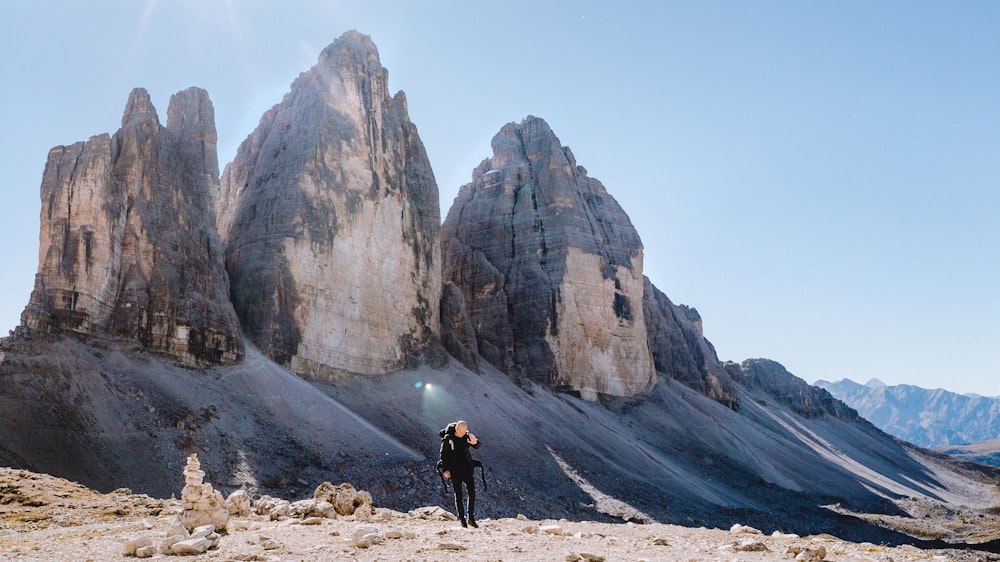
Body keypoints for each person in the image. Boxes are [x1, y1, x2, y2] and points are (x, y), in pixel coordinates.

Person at [439, 420, 482, 528]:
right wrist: (445, 469)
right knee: (458, 495)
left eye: (464, 432)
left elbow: (478, 446)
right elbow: (443, 454)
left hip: (467, 469)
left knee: (472, 492)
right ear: (456, 430)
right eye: (460, 432)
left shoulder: (466, 436)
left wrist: (474, 442)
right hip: (455, 470)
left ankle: (471, 518)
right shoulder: (448, 438)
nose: (462, 434)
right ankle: (462, 519)